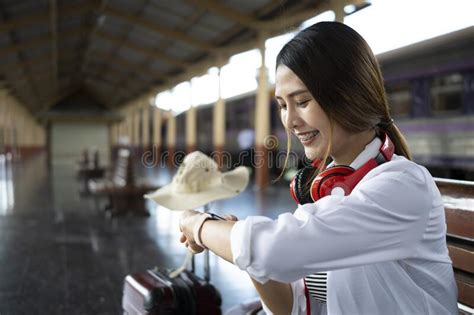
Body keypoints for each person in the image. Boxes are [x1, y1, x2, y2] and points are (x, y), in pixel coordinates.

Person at [178, 22, 458, 314]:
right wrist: (247, 256)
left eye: (302, 101)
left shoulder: (403, 186)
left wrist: (198, 225)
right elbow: (293, 306)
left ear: (351, 95)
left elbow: (272, 250)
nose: (289, 122)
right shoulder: (331, 189)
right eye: (283, 105)